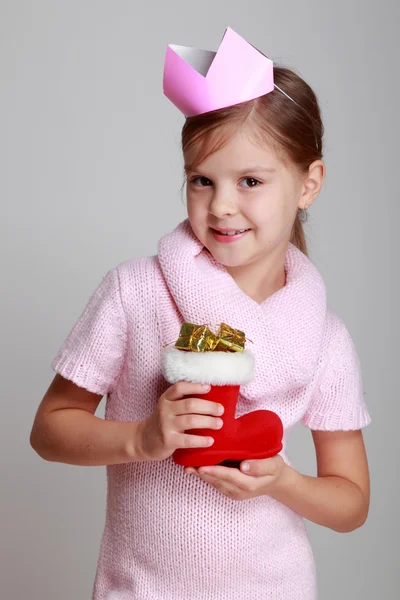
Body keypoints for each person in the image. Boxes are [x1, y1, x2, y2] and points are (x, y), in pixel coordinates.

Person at [30, 27, 371, 600]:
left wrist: (282, 482)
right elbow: (49, 429)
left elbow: (351, 502)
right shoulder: (137, 293)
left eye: (251, 181)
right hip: (141, 588)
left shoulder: (323, 337)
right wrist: (140, 438)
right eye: (201, 180)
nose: (221, 206)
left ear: (308, 184)